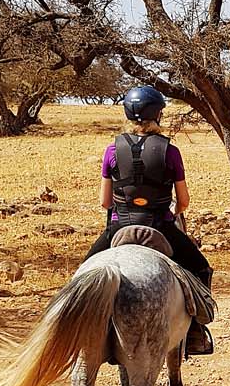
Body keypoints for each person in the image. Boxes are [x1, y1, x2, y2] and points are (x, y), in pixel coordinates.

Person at [84, 86, 215, 356]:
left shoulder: (111, 150)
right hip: (160, 226)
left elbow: (105, 203)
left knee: (83, 272)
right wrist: (175, 209)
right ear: (158, 115)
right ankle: (195, 332)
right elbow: (184, 201)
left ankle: (79, 333)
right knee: (201, 269)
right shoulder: (170, 151)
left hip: (119, 226)